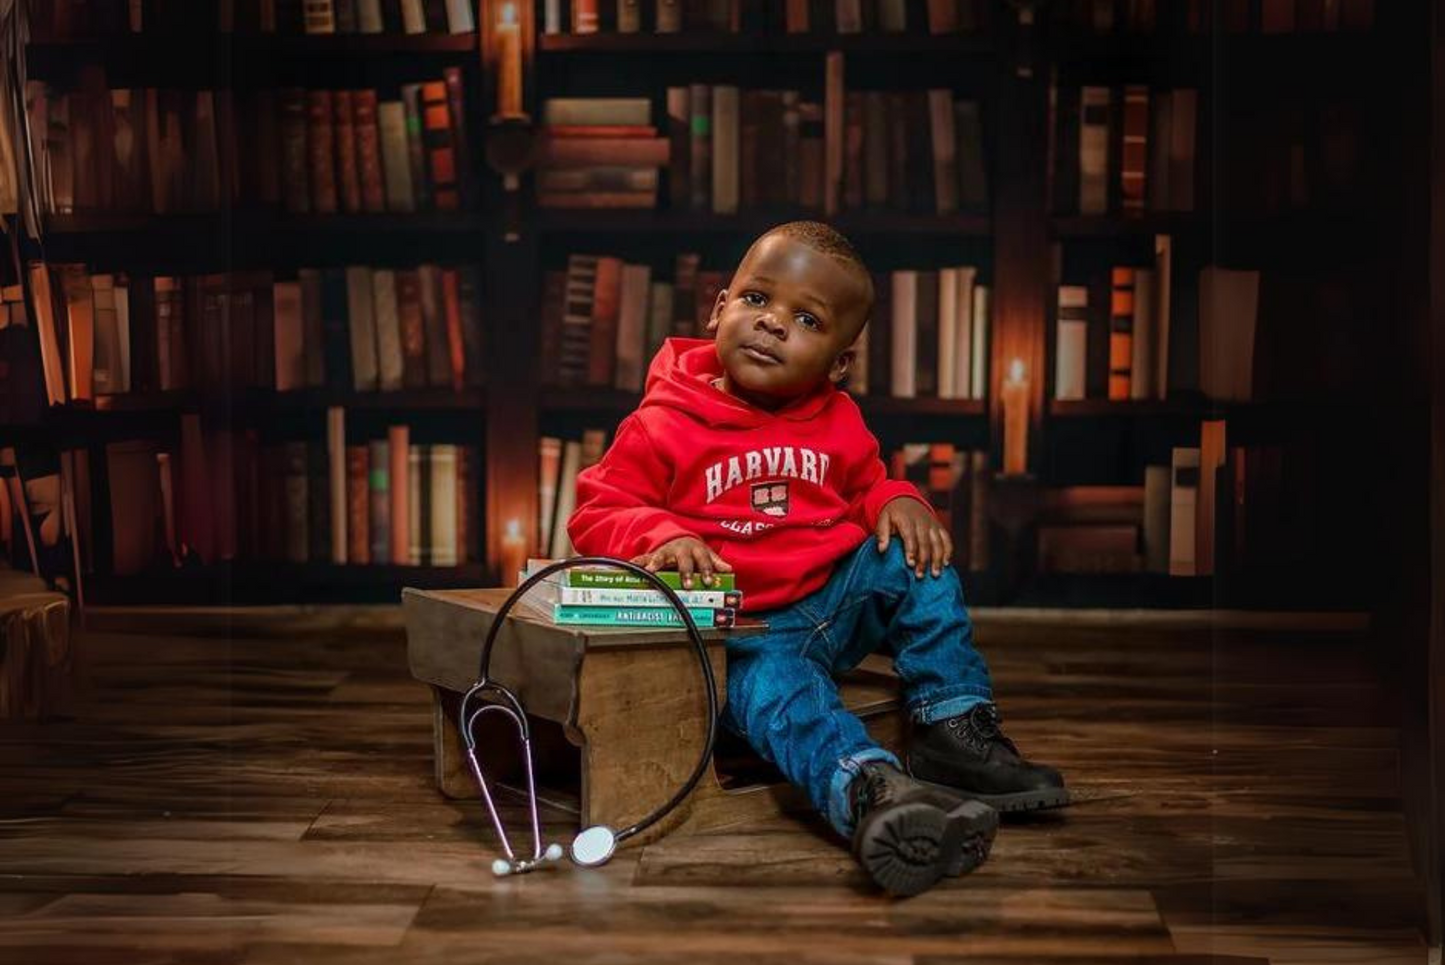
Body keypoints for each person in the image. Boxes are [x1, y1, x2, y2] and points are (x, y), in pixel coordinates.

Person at [568, 221, 1068, 897]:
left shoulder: (836, 418)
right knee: (787, 700)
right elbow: (596, 508)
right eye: (755, 300)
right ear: (718, 308)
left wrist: (900, 498)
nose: (771, 324)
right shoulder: (663, 421)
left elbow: (866, 487)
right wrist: (657, 533)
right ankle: (872, 791)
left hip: (831, 605)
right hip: (742, 636)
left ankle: (952, 725)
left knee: (912, 559)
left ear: (838, 361)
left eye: (805, 318)